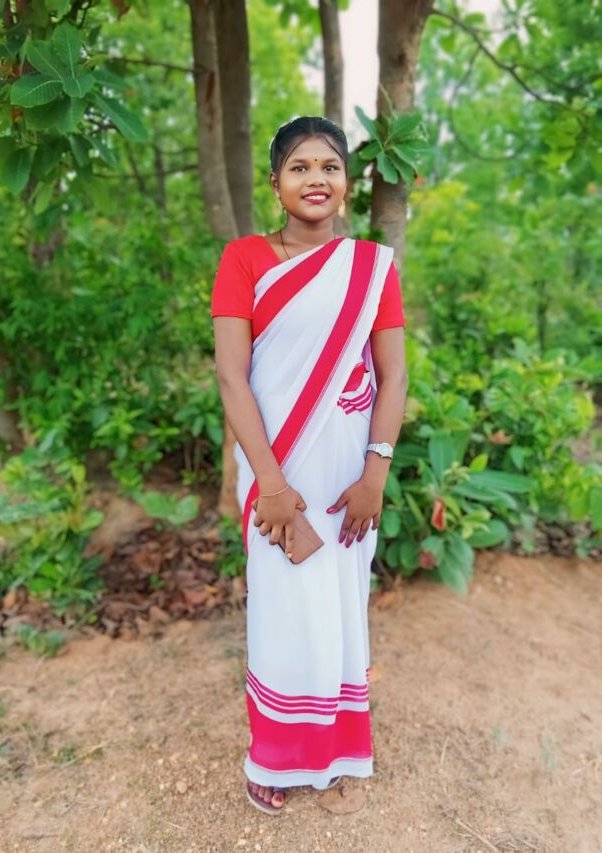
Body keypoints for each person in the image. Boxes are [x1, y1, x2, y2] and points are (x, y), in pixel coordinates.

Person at [211, 115, 408, 815]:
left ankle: (336, 744)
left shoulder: (371, 268)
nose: (316, 178)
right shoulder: (244, 259)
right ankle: (276, 754)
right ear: (275, 183)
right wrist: (271, 484)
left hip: (347, 471)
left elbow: (393, 374)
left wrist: (375, 474)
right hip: (275, 468)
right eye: (299, 167)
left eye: (329, 166)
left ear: (347, 184)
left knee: (338, 603)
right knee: (282, 604)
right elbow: (232, 377)